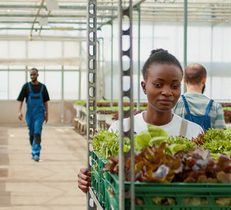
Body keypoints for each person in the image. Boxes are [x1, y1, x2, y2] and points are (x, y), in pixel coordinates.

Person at [78, 49, 204, 193]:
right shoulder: (120, 128)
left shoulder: (193, 131)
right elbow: (105, 179)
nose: (167, 92)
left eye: (175, 86)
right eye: (158, 84)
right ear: (144, 87)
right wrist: (89, 178)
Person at [172, 63, 226, 131]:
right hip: (207, 142)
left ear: (184, 79)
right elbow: (219, 136)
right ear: (204, 79)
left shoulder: (176, 104)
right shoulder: (215, 107)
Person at [17, 68, 50, 162]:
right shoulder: (26, 87)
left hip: (39, 114)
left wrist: (47, 114)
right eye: (31, 75)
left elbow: (45, 101)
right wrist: (19, 111)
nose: (32, 76)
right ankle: (33, 150)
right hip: (30, 115)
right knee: (31, 134)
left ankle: (36, 153)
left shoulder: (43, 87)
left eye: (34, 75)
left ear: (37, 75)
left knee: (37, 133)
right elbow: (20, 100)